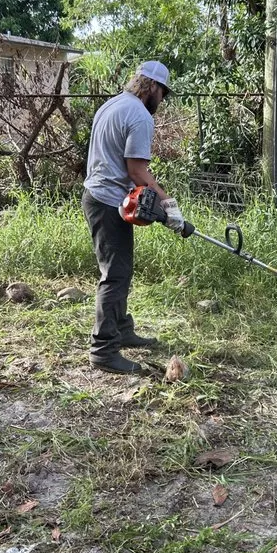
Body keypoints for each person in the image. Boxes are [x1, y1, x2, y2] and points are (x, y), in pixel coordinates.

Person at [82, 61, 185, 374]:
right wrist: (168, 205)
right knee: (115, 274)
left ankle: (123, 329)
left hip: (99, 196)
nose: (162, 100)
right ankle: (103, 349)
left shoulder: (112, 104)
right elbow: (137, 171)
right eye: (162, 93)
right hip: (107, 200)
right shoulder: (139, 114)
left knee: (120, 269)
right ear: (152, 86)